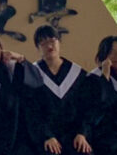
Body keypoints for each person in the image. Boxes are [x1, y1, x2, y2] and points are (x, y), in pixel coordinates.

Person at [24, 25, 93, 155]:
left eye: (52, 40)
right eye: (43, 43)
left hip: (74, 135)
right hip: (47, 136)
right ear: (38, 48)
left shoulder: (77, 74)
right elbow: (32, 112)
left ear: (59, 42)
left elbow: (86, 108)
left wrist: (82, 133)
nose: (49, 46)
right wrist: (46, 136)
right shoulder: (33, 75)